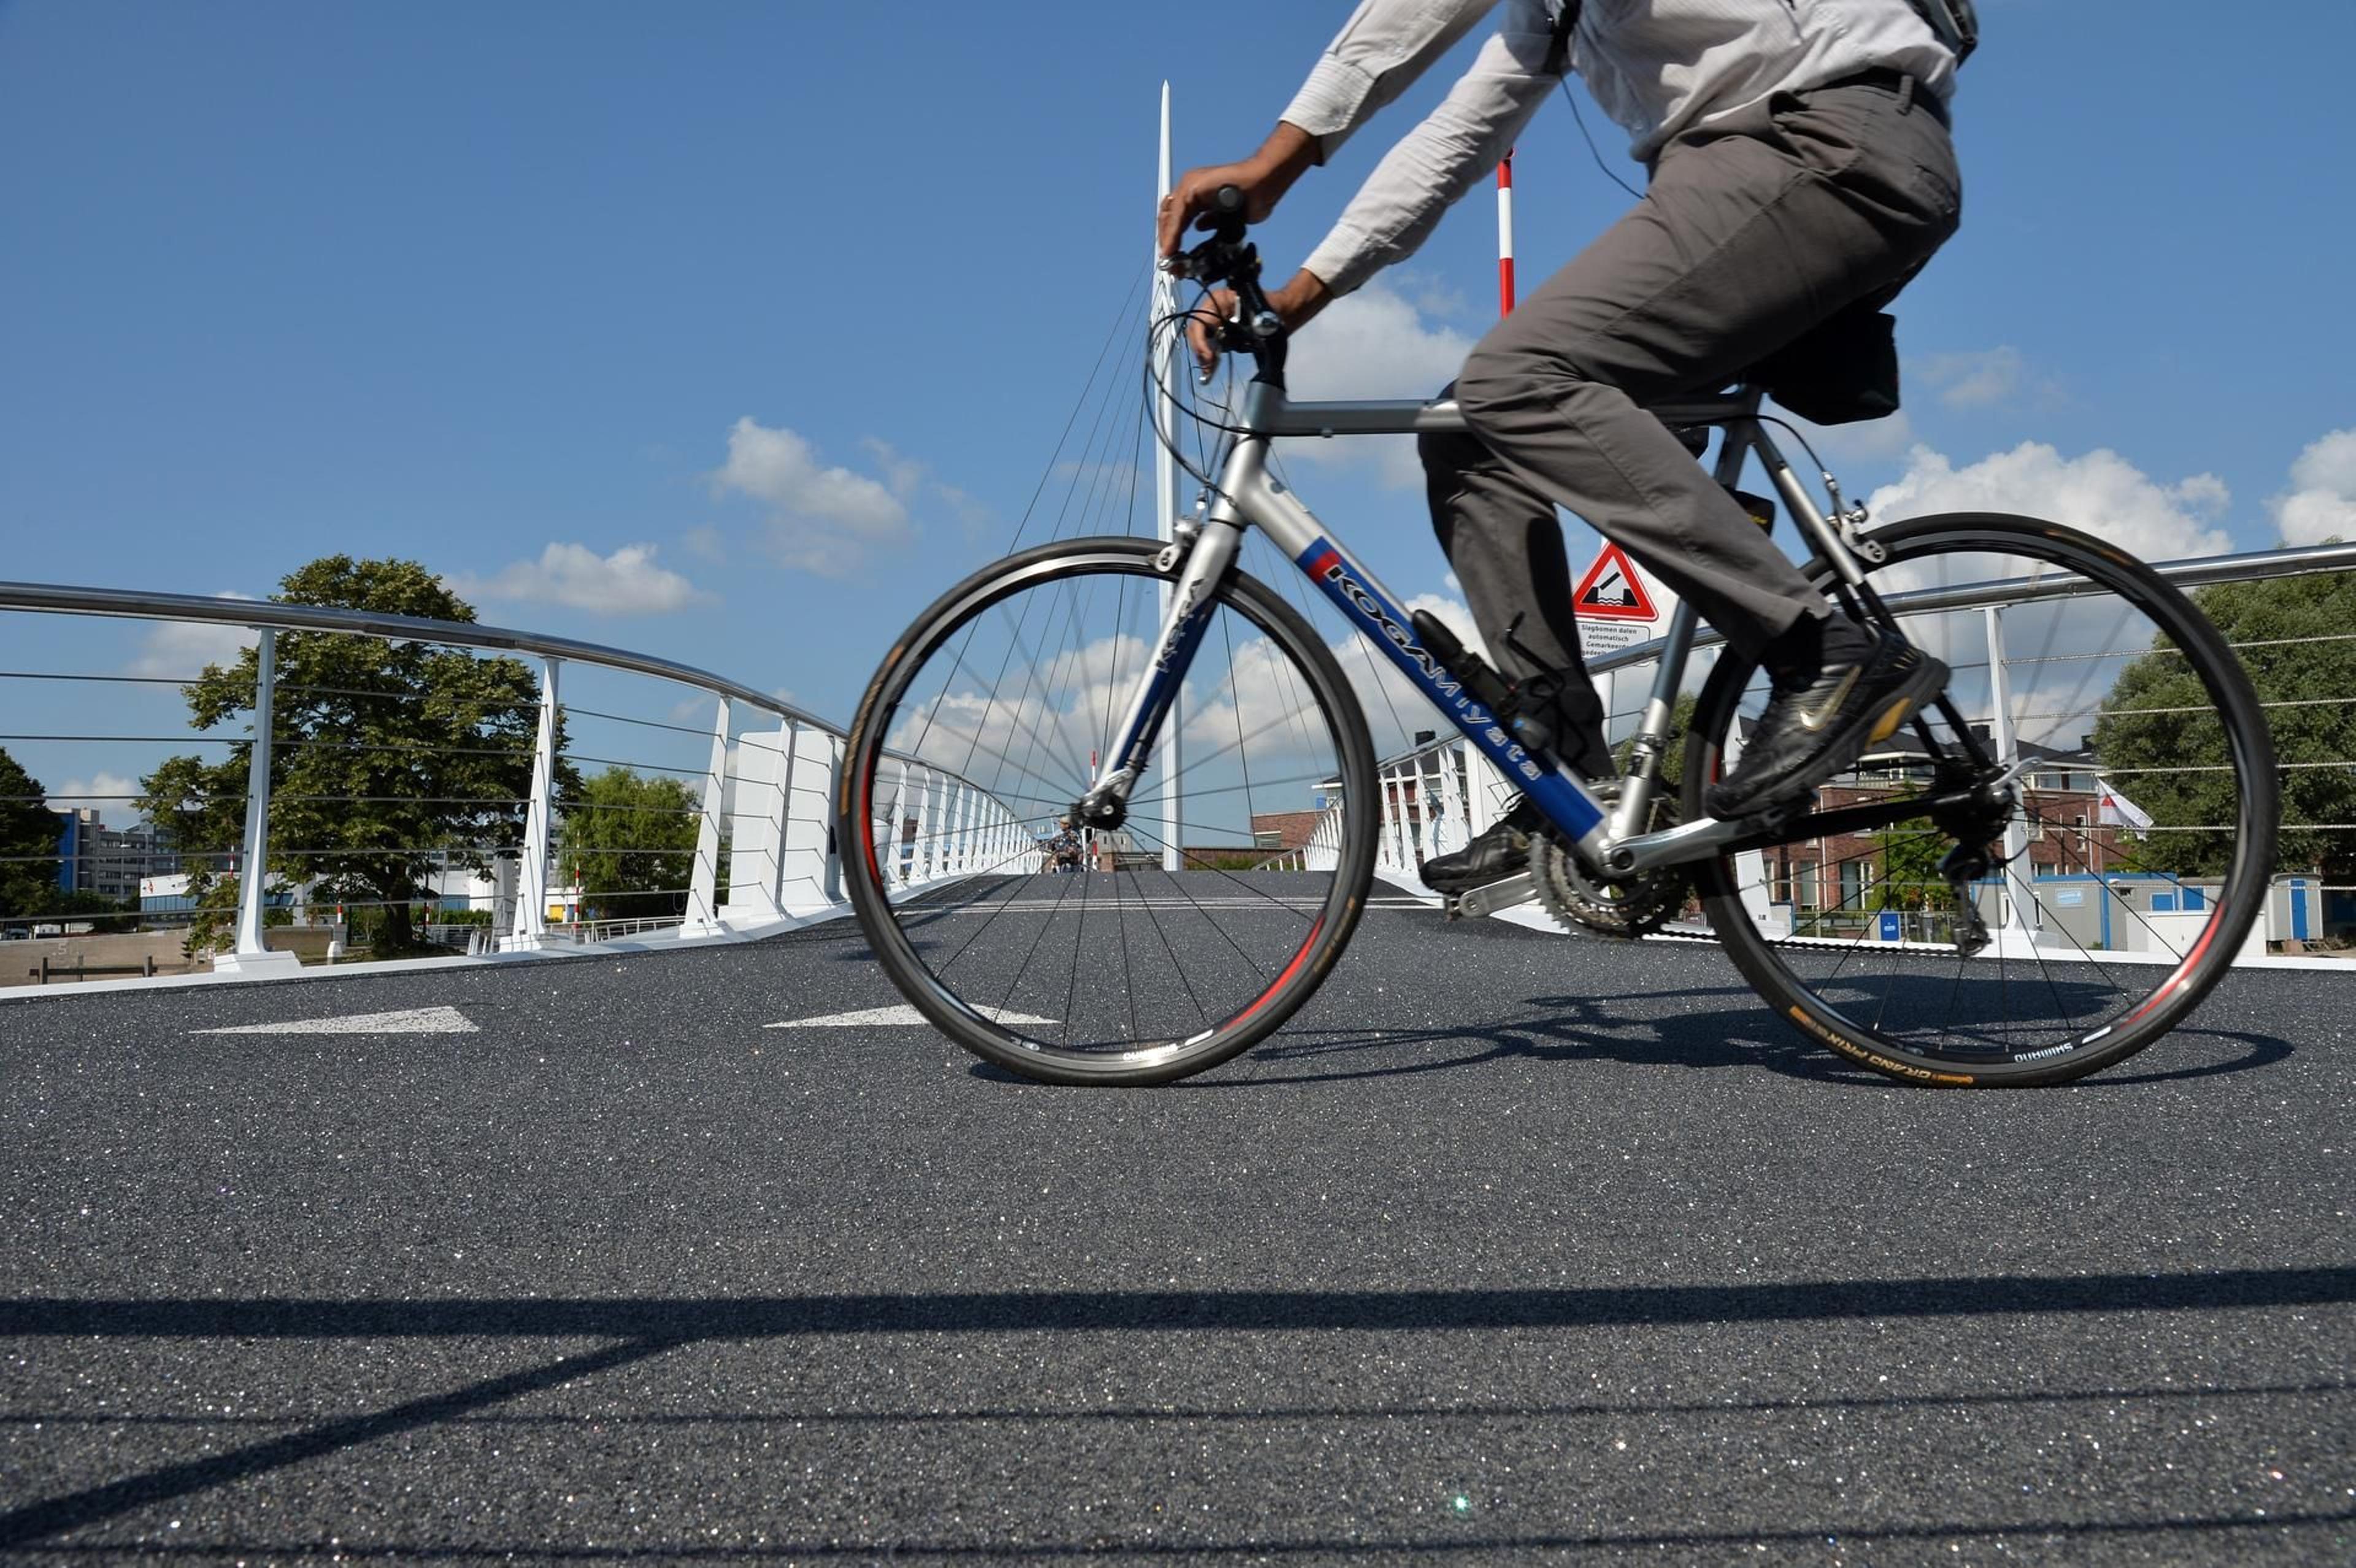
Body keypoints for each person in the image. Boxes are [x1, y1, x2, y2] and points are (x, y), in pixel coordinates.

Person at [1158, 0, 1961, 896]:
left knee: (1519, 377)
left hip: (1820, 145)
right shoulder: (1554, 14)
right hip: (1741, 171)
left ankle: (1819, 650)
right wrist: (1299, 296)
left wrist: (1278, 160)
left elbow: (1408, 20)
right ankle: (1568, 768)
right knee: (1470, 434)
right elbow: (1453, 142)